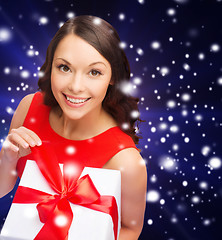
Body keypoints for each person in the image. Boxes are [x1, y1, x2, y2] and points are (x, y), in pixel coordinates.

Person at [0, 15, 147, 239]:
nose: (76, 86)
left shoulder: (125, 160)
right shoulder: (30, 107)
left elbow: (130, 229)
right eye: (64, 68)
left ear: (113, 77)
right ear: (51, 67)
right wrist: (7, 159)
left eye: (94, 72)